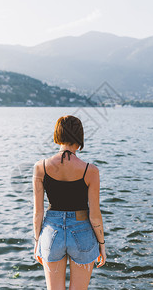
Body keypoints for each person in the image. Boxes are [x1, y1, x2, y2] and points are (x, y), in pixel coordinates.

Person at [33, 115, 106, 289]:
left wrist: (37, 242)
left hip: (52, 233)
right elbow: (95, 215)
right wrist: (102, 245)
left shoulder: (40, 167)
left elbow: (38, 213)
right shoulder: (90, 170)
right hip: (83, 232)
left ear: (57, 135)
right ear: (79, 138)